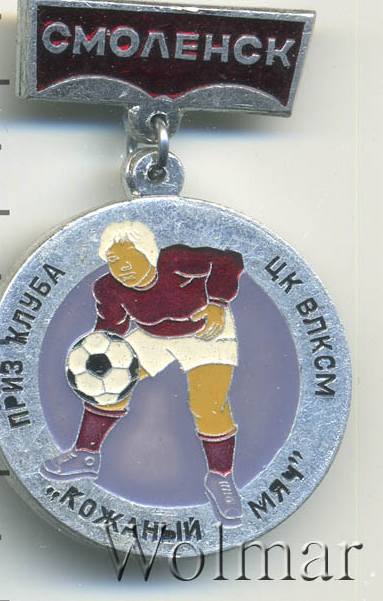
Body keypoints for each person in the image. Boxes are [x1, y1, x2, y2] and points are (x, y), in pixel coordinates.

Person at [41, 221, 244, 523]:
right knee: (110, 379)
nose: (122, 267)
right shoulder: (107, 288)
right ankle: (85, 454)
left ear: (149, 252)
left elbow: (229, 261)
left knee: (207, 406)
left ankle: (221, 477)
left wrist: (217, 302)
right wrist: (95, 360)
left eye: (129, 257)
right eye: (114, 260)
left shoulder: (174, 260)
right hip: (154, 336)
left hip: (207, 332)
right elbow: (111, 332)